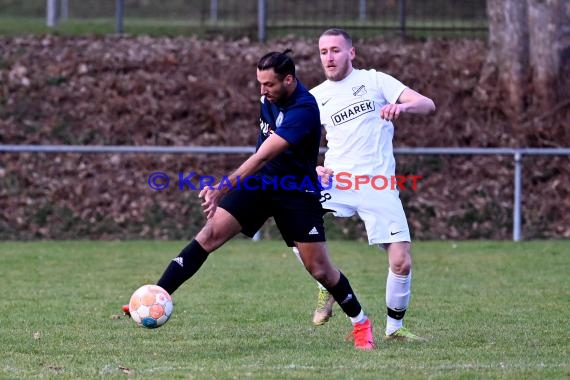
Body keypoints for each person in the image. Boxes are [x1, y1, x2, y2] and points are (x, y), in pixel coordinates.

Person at [123, 50, 375, 350]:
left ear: (289, 80)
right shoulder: (268, 98)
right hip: (260, 184)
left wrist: (221, 188)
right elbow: (261, 157)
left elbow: (263, 155)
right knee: (209, 234)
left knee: (320, 269)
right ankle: (157, 296)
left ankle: (361, 324)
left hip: (295, 192)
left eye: (268, 84)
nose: (262, 90)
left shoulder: (305, 109)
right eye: (259, 83)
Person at [293, 28, 436, 341]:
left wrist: (403, 107)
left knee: (401, 261)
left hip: (378, 183)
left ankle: (394, 329)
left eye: (335, 50)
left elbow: (427, 104)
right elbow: (294, 147)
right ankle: (325, 285)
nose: (329, 57)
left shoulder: (375, 81)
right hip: (337, 179)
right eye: (323, 52)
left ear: (351, 52)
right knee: (293, 222)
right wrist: (315, 168)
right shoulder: (314, 98)